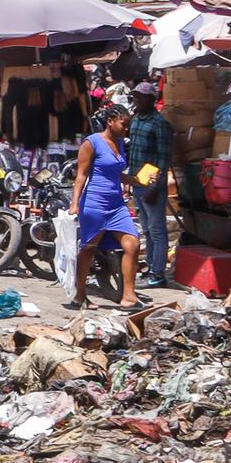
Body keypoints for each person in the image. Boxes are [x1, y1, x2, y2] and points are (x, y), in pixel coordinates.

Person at [68, 104, 142, 310]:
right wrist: (75, 203)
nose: (126, 129)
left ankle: (129, 296)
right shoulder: (92, 143)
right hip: (95, 203)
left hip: (116, 204)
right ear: (110, 121)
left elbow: (116, 174)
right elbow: (81, 175)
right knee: (89, 249)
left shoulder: (119, 143)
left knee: (132, 245)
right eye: (123, 124)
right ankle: (80, 294)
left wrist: (137, 180)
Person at [125, 82, 176, 288]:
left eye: (141, 97)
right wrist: (129, 181)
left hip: (152, 185)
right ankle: (150, 267)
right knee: (146, 228)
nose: (137, 100)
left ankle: (158, 273)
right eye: (135, 97)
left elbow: (163, 160)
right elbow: (133, 155)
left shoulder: (159, 124)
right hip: (138, 181)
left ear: (152, 100)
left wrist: (154, 188)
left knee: (157, 230)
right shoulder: (136, 119)